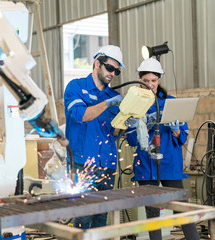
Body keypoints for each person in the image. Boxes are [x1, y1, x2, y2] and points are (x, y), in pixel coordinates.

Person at [126, 58, 200, 240]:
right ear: (139, 80)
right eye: (146, 81)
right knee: (152, 214)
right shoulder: (132, 105)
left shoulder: (171, 102)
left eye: (153, 81)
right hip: (145, 164)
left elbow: (182, 136)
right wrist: (141, 125)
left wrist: (175, 130)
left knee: (181, 210)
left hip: (169, 164)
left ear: (159, 81)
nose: (150, 84)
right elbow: (131, 139)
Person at [64, 45, 125, 229]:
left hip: (107, 163)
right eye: (109, 68)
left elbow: (114, 132)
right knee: (83, 218)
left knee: (100, 219)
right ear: (97, 63)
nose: (112, 74)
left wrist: (125, 125)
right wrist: (106, 103)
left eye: (116, 70)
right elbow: (80, 115)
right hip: (82, 162)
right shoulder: (76, 87)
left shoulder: (114, 96)